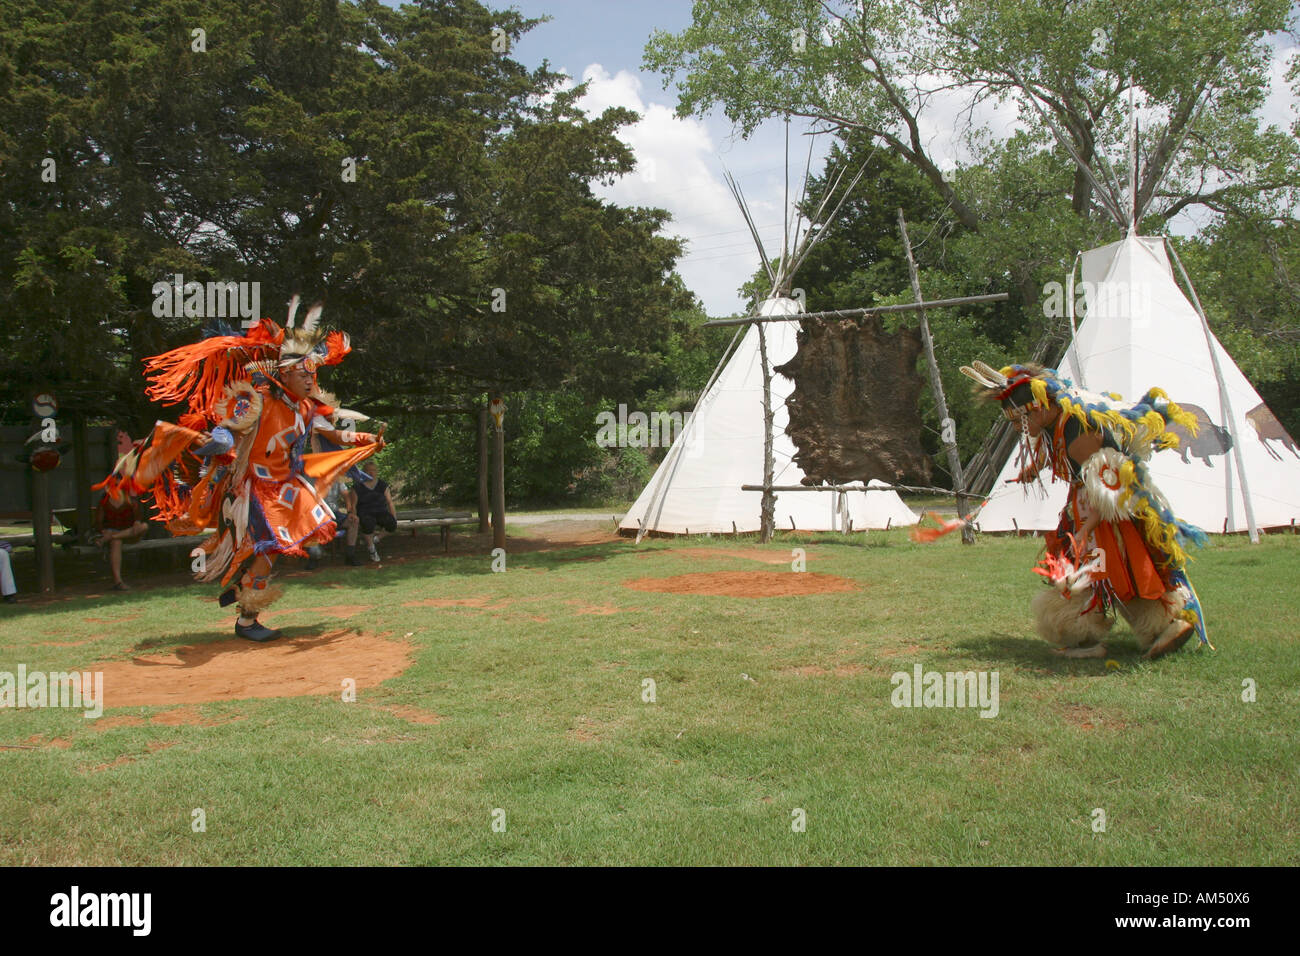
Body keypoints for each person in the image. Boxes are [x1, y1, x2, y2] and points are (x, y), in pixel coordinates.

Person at [97, 297, 384, 641]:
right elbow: (228, 426)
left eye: (313, 372)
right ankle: (246, 618)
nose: (310, 379)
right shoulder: (257, 399)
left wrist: (364, 438)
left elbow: (331, 431)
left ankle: (242, 590)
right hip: (255, 489)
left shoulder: (306, 408)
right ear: (284, 373)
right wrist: (218, 440)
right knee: (270, 548)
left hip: (286, 488)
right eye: (301, 372)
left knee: (292, 541)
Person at [961, 361, 1209, 660]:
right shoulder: (1060, 422)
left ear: (1038, 408)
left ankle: (1148, 628)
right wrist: (1034, 468)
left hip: (1106, 517)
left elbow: (1108, 488)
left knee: (1104, 574)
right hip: (1090, 512)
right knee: (1103, 576)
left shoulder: (1080, 433)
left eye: (1019, 420)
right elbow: (1055, 450)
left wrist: (1085, 529)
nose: (1017, 427)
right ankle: (1144, 628)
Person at [96, 487, 148, 590]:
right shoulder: (104, 503)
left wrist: (137, 523)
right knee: (116, 541)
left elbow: (138, 519)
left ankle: (111, 537)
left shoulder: (131, 501)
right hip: (113, 534)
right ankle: (118, 582)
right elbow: (98, 523)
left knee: (144, 526)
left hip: (129, 534)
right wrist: (103, 531)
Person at [344, 471, 397, 564]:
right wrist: (354, 514)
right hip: (365, 512)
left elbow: (390, 502)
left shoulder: (382, 485)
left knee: (392, 523)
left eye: (373, 471)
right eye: (369, 471)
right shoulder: (357, 487)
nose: (371, 473)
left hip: (380, 512)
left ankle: (375, 539)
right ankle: (372, 549)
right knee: (368, 524)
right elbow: (353, 505)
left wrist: (394, 516)